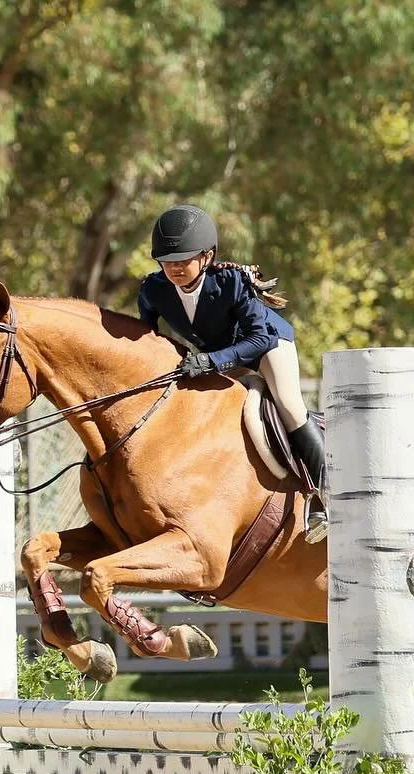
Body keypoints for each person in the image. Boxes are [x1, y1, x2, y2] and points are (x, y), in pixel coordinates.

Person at [137, 203, 328, 543]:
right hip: (219, 354)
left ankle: (325, 496)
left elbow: (260, 337)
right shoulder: (153, 290)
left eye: (184, 259)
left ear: (206, 257)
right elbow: (147, 337)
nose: (175, 268)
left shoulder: (230, 283)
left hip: (267, 346)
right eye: (167, 262)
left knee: (288, 403)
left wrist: (210, 362)